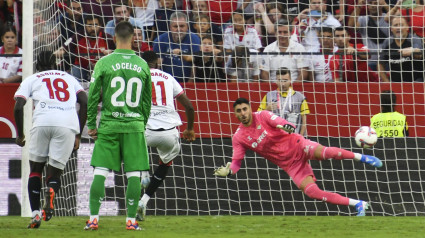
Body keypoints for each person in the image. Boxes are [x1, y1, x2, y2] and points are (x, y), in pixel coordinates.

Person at [214, 98, 383, 216]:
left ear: (250, 108)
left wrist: (286, 126)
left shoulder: (263, 115)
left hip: (297, 145)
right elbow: (236, 162)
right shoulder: (239, 137)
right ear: (235, 114)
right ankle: (359, 204)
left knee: (325, 153)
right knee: (312, 192)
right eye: (239, 111)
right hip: (291, 165)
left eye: (245, 109)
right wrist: (229, 172)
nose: (243, 113)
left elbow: (286, 124)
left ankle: (362, 157)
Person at [85, 21, 151, 231]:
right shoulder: (142, 64)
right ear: (133, 38)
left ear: (114, 38)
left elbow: (93, 96)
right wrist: (141, 123)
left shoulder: (103, 63)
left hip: (109, 126)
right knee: (134, 175)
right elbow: (147, 102)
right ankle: (131, 222)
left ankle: (93, 219)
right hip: (134, 126)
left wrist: (90, 124)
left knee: (100, 172)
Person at [13, 51, 87, 228]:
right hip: (67, 125)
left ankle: (36, 214)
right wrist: (78, 133)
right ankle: (51, 190)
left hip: (42, 122)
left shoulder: (32, 79)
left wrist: (20, 134)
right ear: (56, 64)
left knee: (36, 169)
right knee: (55, 173)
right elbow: (84, 101)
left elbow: (18, 106)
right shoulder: (69, 78)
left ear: (37, 64)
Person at [135, 51, 196, 221]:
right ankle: (144, 201)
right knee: (165, 163)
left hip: (145, 131)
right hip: (169, 131)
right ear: (157, 63)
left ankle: (144, 173)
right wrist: (189, 129)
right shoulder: (168, 78)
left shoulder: (137, 77)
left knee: (132, 143)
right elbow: (189, 107)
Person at [258, 67, 309, 136]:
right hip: (275, 137)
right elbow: (258, 117)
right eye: (280, 80)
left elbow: (304, 123)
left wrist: (300, 138)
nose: (282, 84)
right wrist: (267, 109)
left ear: (290, 80)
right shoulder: (268, 96)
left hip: (294, 137)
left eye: (285, 80)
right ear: (276, 80)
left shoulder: (300, 97)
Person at [153, 11, 201, 82]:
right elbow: (157, 66)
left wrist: (190, 84)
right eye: (175, 26)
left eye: (182, 26)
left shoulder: (194, 39)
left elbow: (195, 63)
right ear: (170, 27)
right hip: (165, 82)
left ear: (187, 26)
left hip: (186, 82)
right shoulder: (160, 40)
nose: (178, 29)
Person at [378, 16, 424, 82]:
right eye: (395, 25)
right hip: (394, 82)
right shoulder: (387, 42)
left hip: (415, 81)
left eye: (401, 25)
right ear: (391, 28)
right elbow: (380, 63)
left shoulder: (414, 39)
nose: (398, 28)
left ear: (407, 27)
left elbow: (419, 54)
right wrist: (386, 81)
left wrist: (413, 51)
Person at [72, 15, 113, 81]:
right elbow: (65, 46)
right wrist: (60, 50)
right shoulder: (78, 36)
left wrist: (111, 52)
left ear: (100, 25)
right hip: (82, 67)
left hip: (101, 68)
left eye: (96, 25)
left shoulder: (107, 37)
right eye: (90, 25)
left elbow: (117, 51)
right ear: (85, 26)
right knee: (75, 71)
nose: (93, 28)